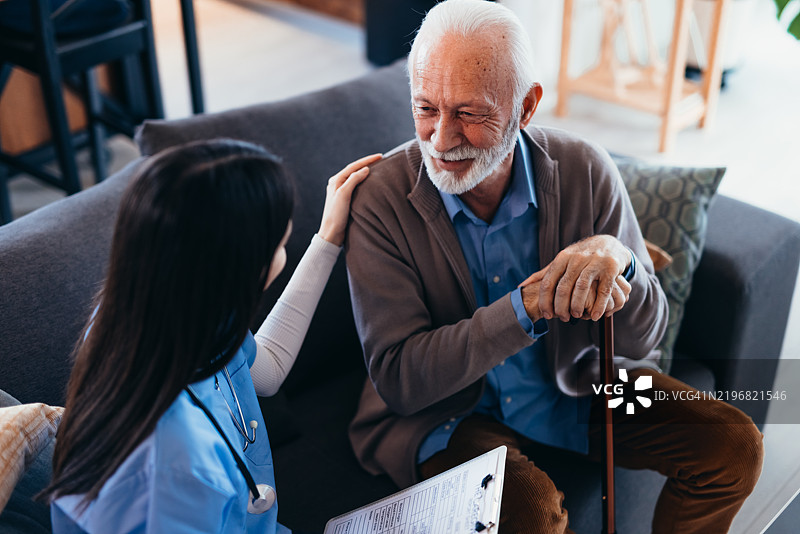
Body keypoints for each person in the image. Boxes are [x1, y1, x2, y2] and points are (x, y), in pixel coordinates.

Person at [344, 1, 763, 532]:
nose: (442, 140)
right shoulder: (381, 201)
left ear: (525, 107)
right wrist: (525, 307)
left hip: (586, 386)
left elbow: (642, 344)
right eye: (426, 108)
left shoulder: (586, 169)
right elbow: (402, 382)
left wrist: (625, 263)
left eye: (470, 114)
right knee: (531, 515)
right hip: (446, 416)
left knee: (733, 445)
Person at [39, 138, 381, 533]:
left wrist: (328, 238)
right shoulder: (179, 465)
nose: (283, 249)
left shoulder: (172, 310)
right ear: (241, 268)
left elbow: (264, 372)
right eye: (280, 244)